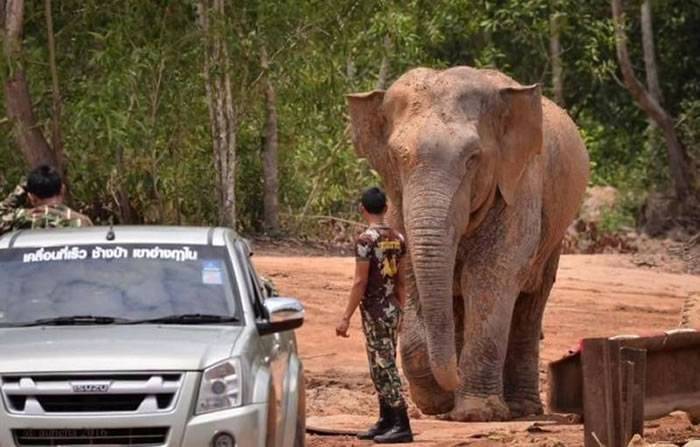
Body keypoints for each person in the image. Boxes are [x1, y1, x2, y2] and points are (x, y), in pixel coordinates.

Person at [336, 186, 413, 444]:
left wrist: (346, 316)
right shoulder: (398, 238)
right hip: (392, 309)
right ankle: (386, 419)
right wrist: (401, 311)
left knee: (384, 366)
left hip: (374, 311)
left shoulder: (365, 241)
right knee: (380, 364)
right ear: (386, 208)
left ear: (362, 209)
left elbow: (360, 281)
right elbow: (402, 281)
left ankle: (401, 423)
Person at [0, 165, 92, 235]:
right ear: (62, 190)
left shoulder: (20, 219)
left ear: (31, 198)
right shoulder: (83, 222)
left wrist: (21, 189)